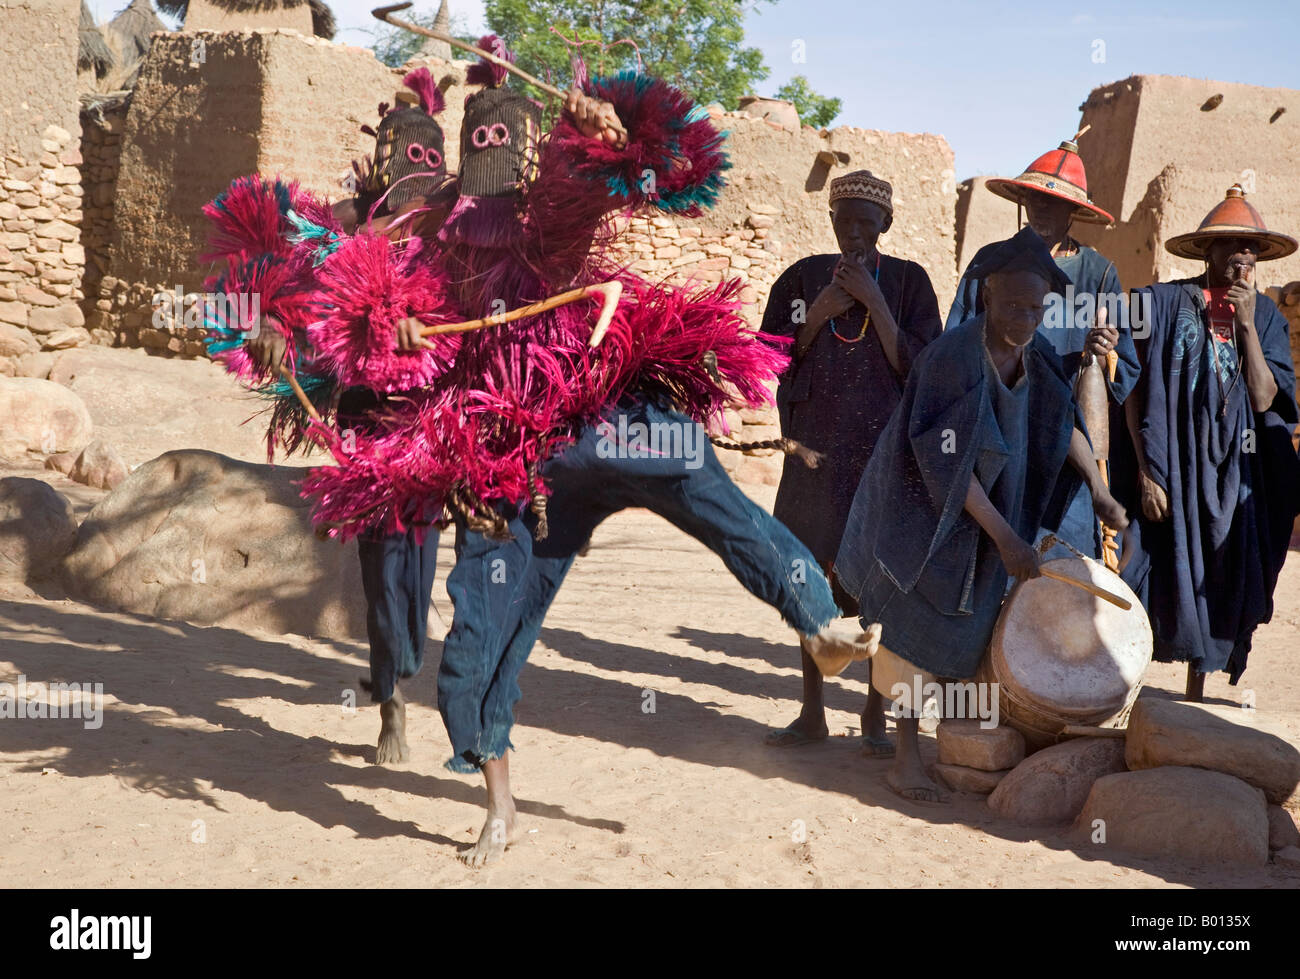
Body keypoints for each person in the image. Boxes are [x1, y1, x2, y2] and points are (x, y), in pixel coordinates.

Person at [300, 40, 879, 867]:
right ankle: (499, 803)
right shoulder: (426, 256)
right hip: (517, 469)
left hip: (610, 417)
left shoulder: (548, 212)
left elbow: (639, 166)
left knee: (713, 499)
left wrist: (608, 132)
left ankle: (818, 619)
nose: (479, 244)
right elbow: (369, 344)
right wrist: (390, 336)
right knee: (475, 643)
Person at [202, 68, 456, 764]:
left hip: (431, 419)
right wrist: (275, 330)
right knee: (379, 562)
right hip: (362, 416)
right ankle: (393, 700)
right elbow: (275, 283)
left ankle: (395, 664)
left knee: (419, 559)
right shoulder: (341, 228)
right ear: (381, 160)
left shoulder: (452, 231)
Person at [833, 227, 1130, 803]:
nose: (1024, 318)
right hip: (924, 509)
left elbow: (1062, 419)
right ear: (987, 296)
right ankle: (903, 758)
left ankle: (917, 735)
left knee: (967, 625)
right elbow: (946, 467)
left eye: (1036, 308)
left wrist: (1097, 485)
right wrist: (1004, 538)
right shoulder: (954, 357)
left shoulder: (1035, 353)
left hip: (992, 514)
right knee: (914, 625)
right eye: (1013, 306)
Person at [759, 169, 942, 755]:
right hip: (815, 454)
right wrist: (817, 314)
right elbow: (764, 360)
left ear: (886, 225)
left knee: (878, 586)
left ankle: (873, 713)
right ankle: (812, 711)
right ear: (832, 222)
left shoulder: (910, 284)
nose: (856, 232)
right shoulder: (803, 278)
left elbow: (924, 370)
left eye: (868, 222)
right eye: (846, 221)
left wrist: (874, 304)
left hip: (883, 457)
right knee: (811, 577)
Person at [1123, 184, 1300, 698]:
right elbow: (1131, 382)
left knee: (1224, 568)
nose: (1244, 257)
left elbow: (1267, 399)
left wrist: (1245, 325)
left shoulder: (1265, 316)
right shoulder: (1162, 302)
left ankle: (1196, 691)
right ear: (1207, 250)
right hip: (1175, 460)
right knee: (1158, 563)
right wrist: (1144, 465)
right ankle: (1120, 679)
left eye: (1253, 249)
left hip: (1239, 470)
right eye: (1232, 246)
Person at [949, 137, 1140, 563]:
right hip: (994, 431)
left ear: (1074, 213)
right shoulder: (989, 262)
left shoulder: (1098, 274)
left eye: (1054, 205)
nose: (1041, 211)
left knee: (1064, 565)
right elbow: (955, 341)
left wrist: (1100, 353)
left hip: (1065, 442)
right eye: (1035, 200)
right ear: (1022, 201)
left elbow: (1124, 367)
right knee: (990, 560)